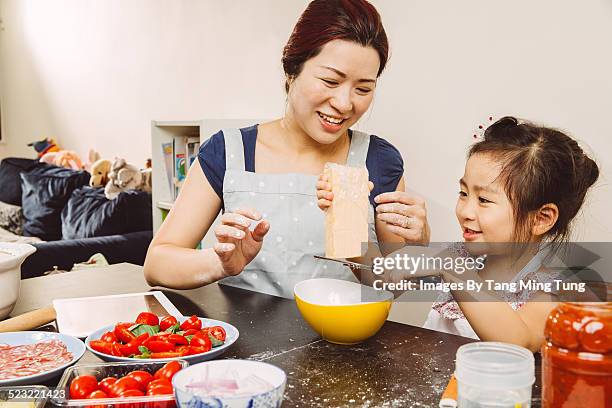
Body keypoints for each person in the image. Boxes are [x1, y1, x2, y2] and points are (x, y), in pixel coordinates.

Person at [144, 0, 430, 298]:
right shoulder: (228, 152)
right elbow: (157, 263)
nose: (345, 104)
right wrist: (221, 261)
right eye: (330, 81)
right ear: (292, 69)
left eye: (363, 89)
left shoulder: (379, 160)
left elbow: (397, 286)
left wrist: (418, 244)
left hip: (345, 342)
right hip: (245, 342)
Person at [325, 116, 597, 351]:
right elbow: (383, 279)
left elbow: (519, 341)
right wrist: (346, 215)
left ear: (541, 218)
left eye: (484, 200)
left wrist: (451, 269)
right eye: (464, 193)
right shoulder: (461, 255)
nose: (465, 210)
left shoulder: (558, 283)